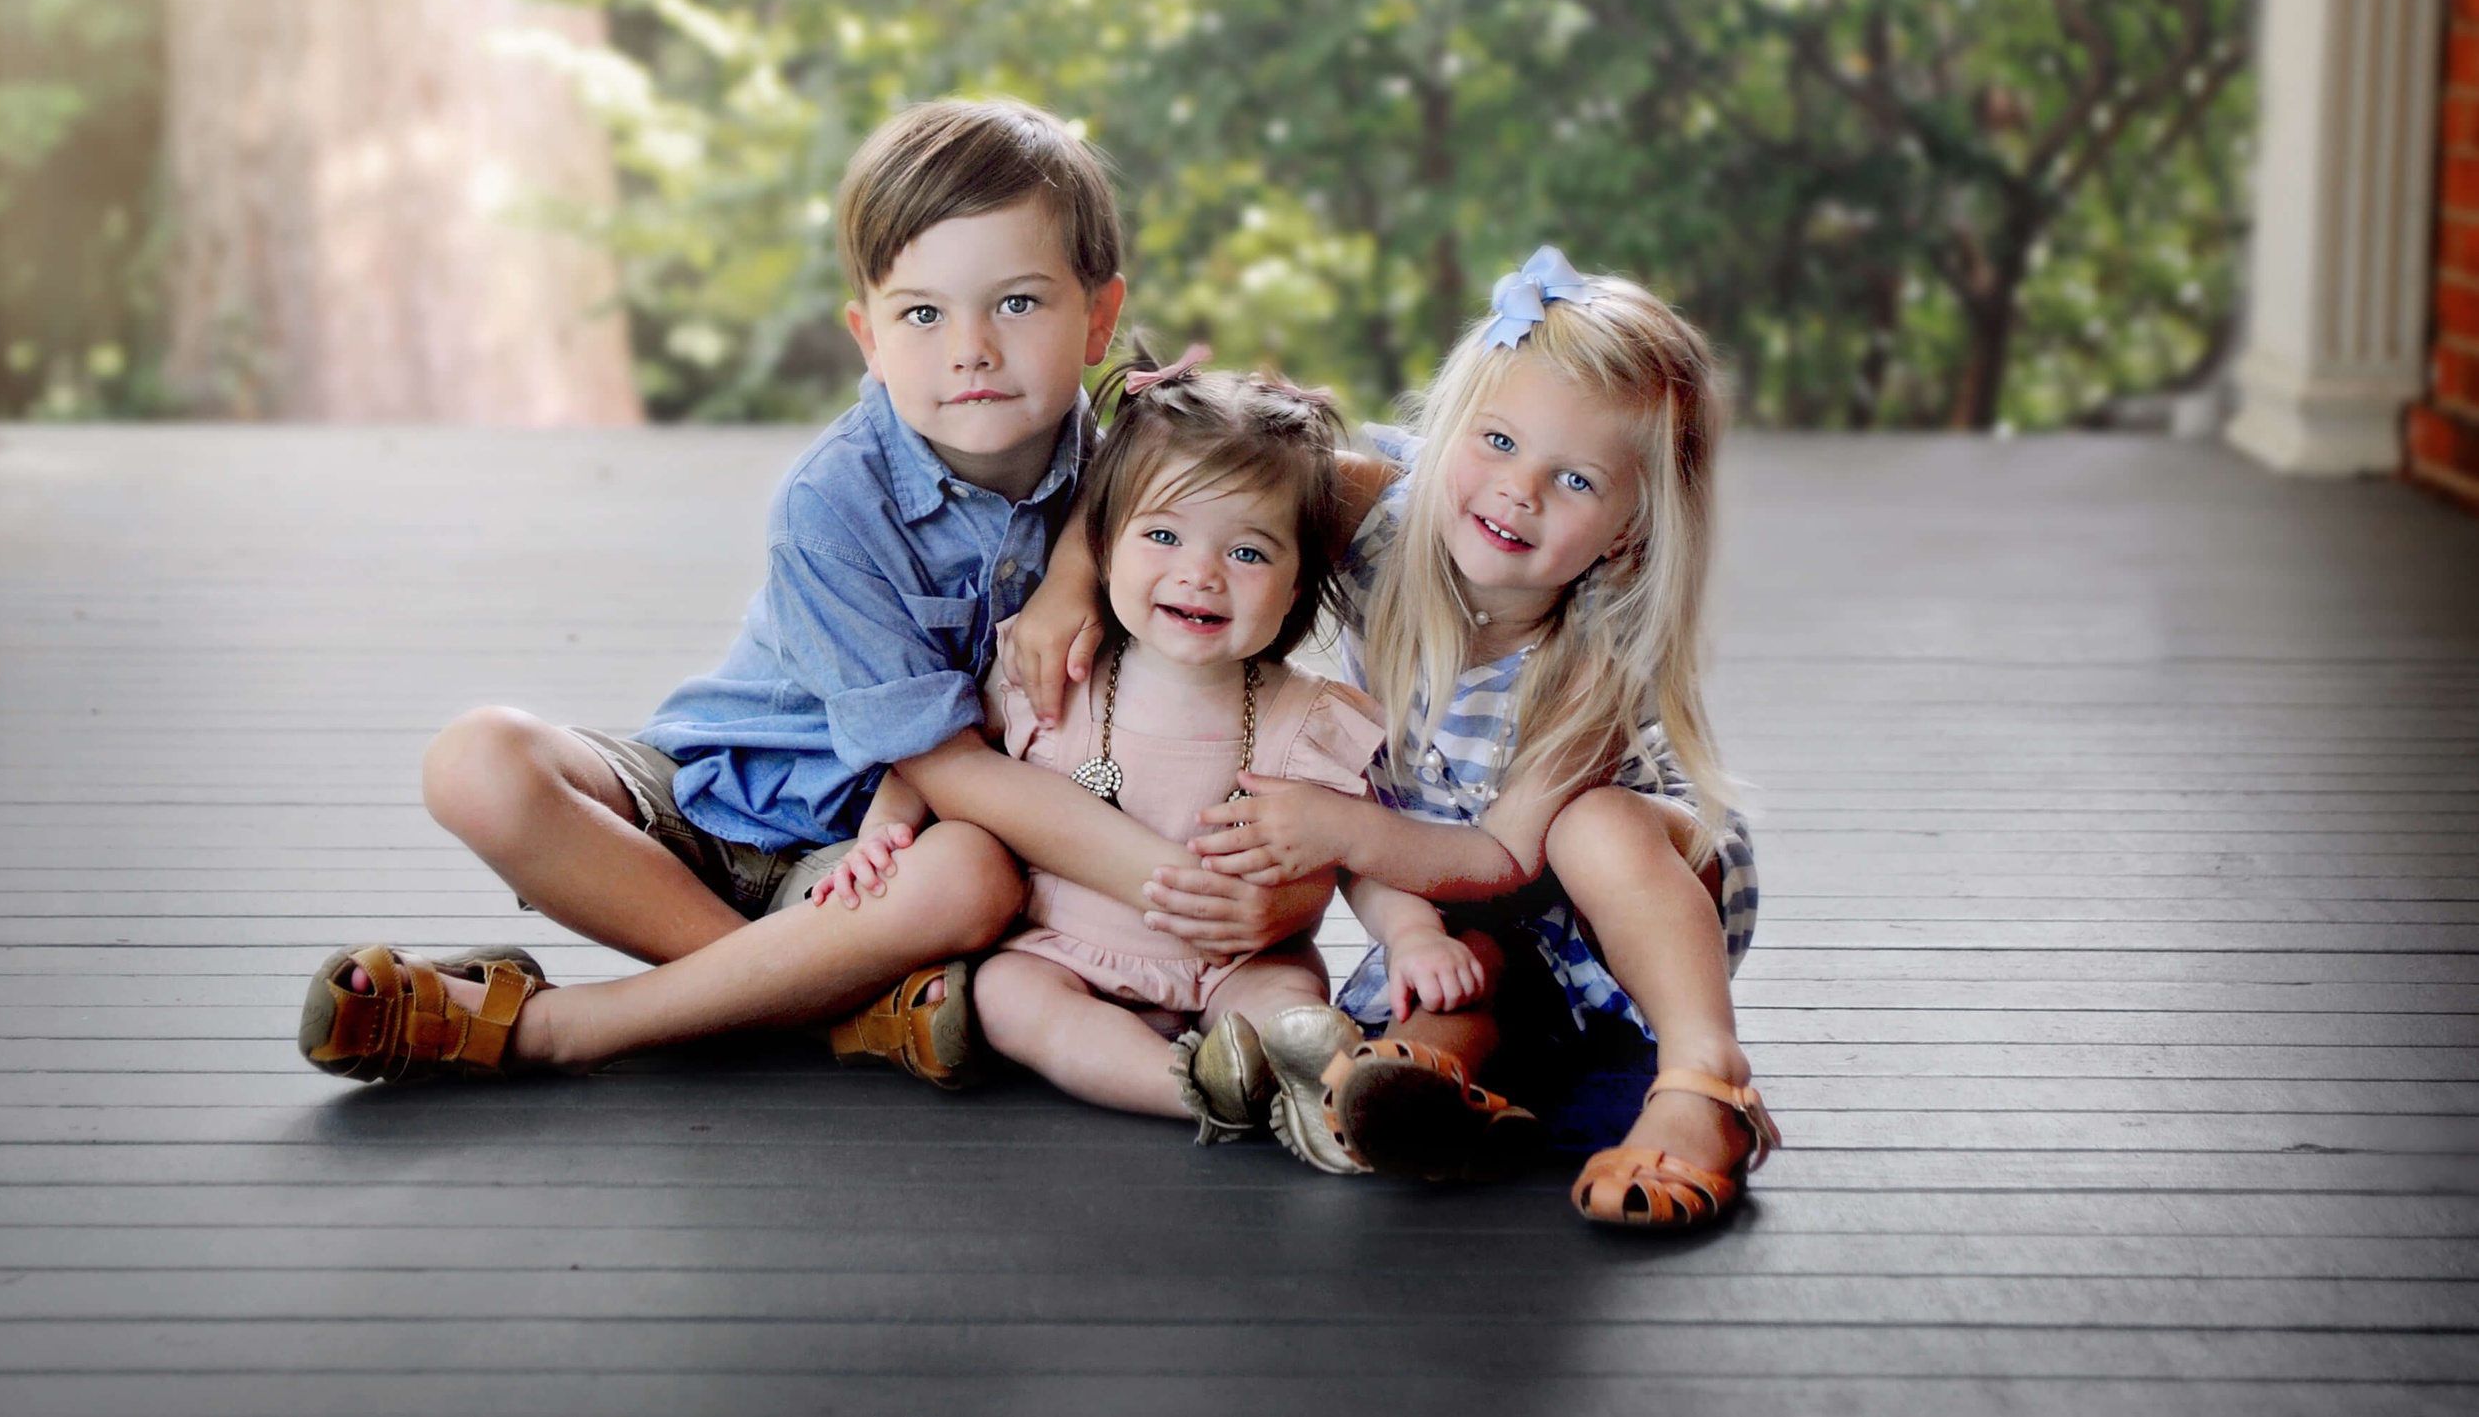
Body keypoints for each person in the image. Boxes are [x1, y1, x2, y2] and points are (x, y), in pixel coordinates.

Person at [296, 97, 1321, 1084]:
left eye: (1017, 302)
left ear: (1100, 317)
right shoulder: (834, 499)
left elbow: (1328, 468)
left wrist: (1077, 563)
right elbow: (954, 770)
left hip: (882, 862)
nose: (970, 347)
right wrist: (1183, 894)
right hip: (717, 797)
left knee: (969, 873)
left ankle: (573, 1026)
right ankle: (815, 1003)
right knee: (475, 761)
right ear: (867, 339)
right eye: (920, 313)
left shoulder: (1133, 477)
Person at [1007, 248, 1775, 1226]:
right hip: (1454, 889)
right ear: (1452, 424)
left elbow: (1504, 856)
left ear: (1630, 527)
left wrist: (1338, 830)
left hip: (1628, 890)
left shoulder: (1593, 660)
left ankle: (1705, 1079)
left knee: (1592, 830)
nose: (1517, 490)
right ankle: (1419, 1091)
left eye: (1574, 479)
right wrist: (1068, 585)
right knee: (1446, 971)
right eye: (1496, 441)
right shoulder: (1373, 511)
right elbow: (1175, 472)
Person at [832, 349, 1487, 1148]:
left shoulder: (1308, 718)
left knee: (1291, 1005)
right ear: (1103, 547)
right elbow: (946, 754)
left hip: (1241, 960)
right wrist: (885, 827)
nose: (1201, 574)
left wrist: (1414, 933)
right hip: (1063, 947)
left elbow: (1362, 853)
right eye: (1165, 535)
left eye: (1247, 552)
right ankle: (1197, 1090)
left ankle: (1317, 1083)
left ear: (1297, 583)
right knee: (1008, 996)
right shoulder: (1053, 672)